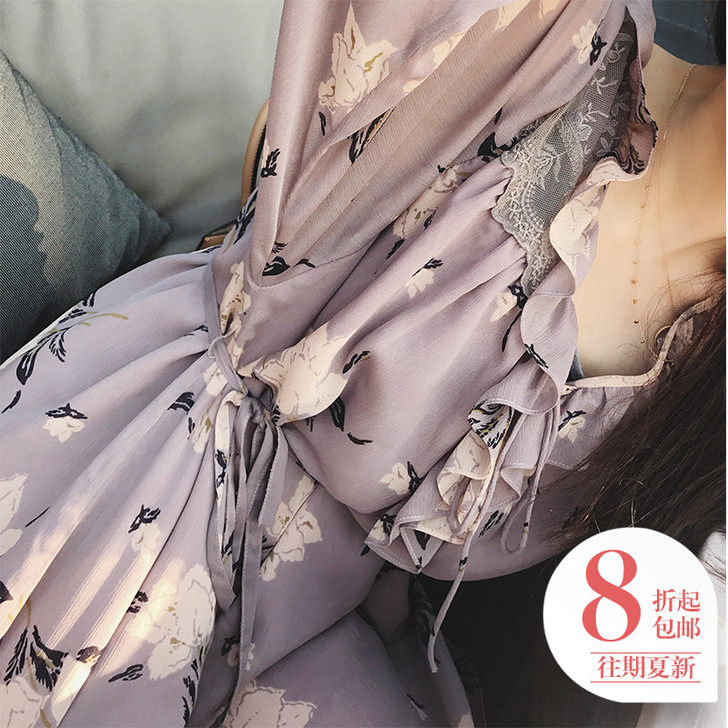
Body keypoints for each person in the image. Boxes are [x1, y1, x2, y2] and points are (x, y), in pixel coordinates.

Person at [0, 1, 723, 727]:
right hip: (154, 463)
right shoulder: (545, 34)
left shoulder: (697, 417)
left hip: (327, 617)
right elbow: (285, 196)